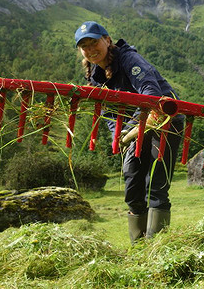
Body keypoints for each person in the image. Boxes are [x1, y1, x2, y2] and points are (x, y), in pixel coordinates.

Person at [74, 21, 185, 244]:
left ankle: (158, 247)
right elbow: (109, 113)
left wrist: (130, 129)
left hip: (163, 121)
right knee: (132, 183)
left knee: (156, 185)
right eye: (84, 46)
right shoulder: (96, 76)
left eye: (94, 42)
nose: (91, 49)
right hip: (134, 130)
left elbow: (150, 93)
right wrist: (120, 136)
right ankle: (139, 246)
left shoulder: (128, 59)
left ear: (107, 40)